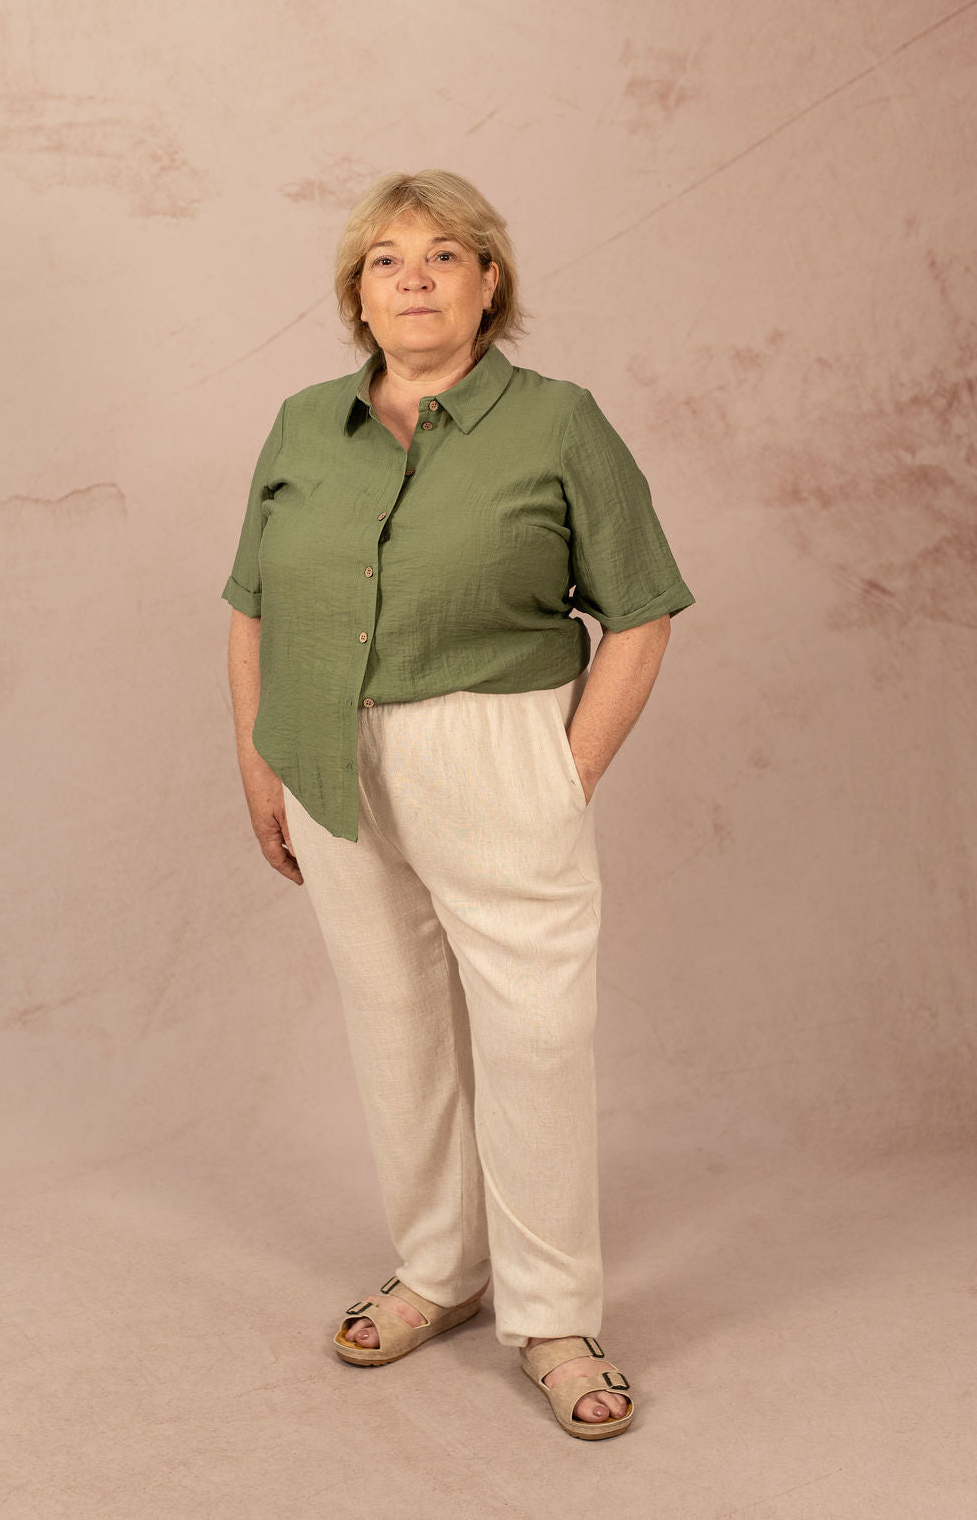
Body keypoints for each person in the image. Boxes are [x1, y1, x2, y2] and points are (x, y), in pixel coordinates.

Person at [222, 169, 694, 1440]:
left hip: (495, 748)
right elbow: (251, 603)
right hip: (325, 750)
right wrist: (260, 760)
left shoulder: (558, 423)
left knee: (534, 1036)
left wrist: (563, 772)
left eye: (443, 254)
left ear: (490, 282)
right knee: (395, 1022)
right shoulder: (301, 425)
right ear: (357, 294)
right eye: (385, 259)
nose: (414, 277)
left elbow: (643, 609)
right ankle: (440, 1266)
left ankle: (553, 1316)